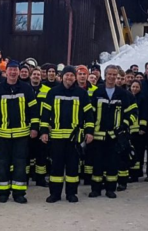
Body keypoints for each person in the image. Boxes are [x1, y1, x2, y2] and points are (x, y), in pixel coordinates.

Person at [0, 60, 39, 204]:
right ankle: (3, 193)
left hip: (21, 135)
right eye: (11, 70)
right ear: (6, 72)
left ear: (19, 72)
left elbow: (34, 110)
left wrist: (34, 128)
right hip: (2, 134)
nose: (13, 72)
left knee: (20, 164)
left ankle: (19, 193)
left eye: (16, 70)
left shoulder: (26, 89)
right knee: (2, 164)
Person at [40, 66, 94, 203]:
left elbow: (89, 115)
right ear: (62, 76)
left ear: (75, 77)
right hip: (57, 137)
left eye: (71, 75)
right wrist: (44, 132)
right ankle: (55, 194)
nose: (69, 78)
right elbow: (45, 114)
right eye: (66, 75)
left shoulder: (81, 94)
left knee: (72, 167)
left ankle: (71, 193)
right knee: (56, 167)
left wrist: (89, 132)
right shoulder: (52, 92)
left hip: (74, 138)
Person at [89, 65, 134, 199]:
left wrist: (123, 126)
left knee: (112, 163)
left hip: (115, 136)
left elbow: (132, 113)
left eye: (115, 75)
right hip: (98, 135)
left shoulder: (124, 94)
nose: (112, 77)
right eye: (110, 74)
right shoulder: (97, 92)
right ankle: (95, 189)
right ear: (105, 75)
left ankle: (110, 189)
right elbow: (90, 113)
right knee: (97, 163)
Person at [27, 67, 51, 187]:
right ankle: (25, 177)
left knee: (42, 154)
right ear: (30, 76)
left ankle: (40, 179)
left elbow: (50, 109)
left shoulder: (47, 90)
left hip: (42, 125)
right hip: (27, 125)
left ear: (41, 77)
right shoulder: (25, 89)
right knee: (27, 153)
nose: (36, 76)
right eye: (34, 74)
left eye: (38, 74)